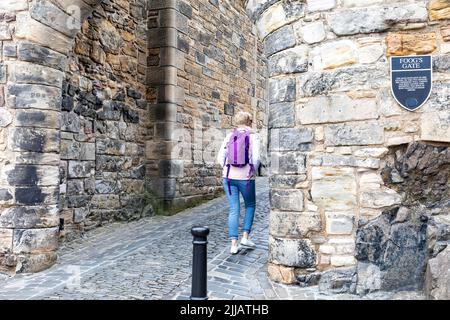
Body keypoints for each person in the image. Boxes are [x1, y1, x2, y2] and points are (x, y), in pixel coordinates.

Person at [217, 111, 260, 254]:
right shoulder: (253, 136)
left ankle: (233, 244)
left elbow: (220, 157)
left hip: (228, 178)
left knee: (234, 209)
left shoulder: (230, 135)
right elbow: (256, 159)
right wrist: (252, 171)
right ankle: (245, 237)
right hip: (246, 179)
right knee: (250, 205)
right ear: (249, 122)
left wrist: (226, 169)